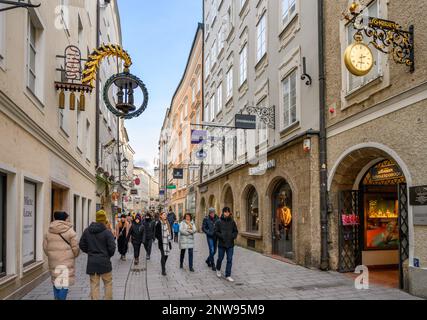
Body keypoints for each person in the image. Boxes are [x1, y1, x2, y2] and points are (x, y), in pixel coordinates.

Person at [79, 210, 116, 300]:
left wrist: (90, 252)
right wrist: (107, 255)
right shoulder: (107, 232)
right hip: (104, 262)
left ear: (96, 219)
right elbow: (112, 247)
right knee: (108, 283)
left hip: (92, 262)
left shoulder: (87, 231)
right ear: (104, 220)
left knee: (94, 285)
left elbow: (81, 244)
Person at [43, 211, 80, 300]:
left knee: (56, 281)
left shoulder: (48, 231)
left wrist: (52, 255)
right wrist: (74, 255)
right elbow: (75, 248)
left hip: (53, 261)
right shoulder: (70, 231)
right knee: (64, 284)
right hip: (66, 262)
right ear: (64, 219)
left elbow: (45, 247)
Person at [215, 207, 238, 282]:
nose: (227, 213)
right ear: (223, 212)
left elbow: (235, 231)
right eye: (225, 212)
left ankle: (228, 275)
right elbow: (216, 232)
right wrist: (221, 236)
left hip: (230, 244)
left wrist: (233, 236)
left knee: (229, 259)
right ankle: (218, 269)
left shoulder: (232, 221)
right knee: (220, 258)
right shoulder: (218, 221)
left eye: (228, 212)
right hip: (222, 244)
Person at [155, 211, 172, 276]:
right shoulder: (158, 223)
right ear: (161, 216)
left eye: (165, 215)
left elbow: (170, 232)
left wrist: (170, 239)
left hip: (167, 242)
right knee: (163, 255)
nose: (165, 216)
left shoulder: (167, 223)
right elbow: (156, 233)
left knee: (166, 255)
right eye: (164, 215)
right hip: (162, 243)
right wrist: (160, 238)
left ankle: (163, 264)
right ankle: (163, 270)